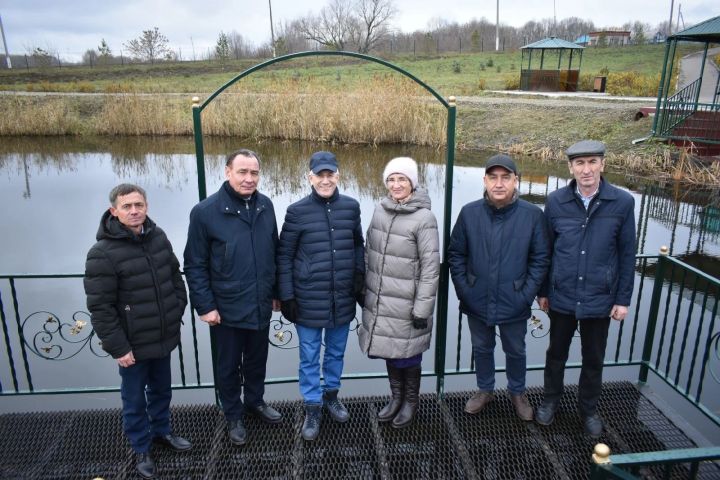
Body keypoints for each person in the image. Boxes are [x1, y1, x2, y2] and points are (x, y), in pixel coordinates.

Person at [84, 184, 191, 479]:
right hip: (132, 343)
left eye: (139, 205)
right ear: (114, 211)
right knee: (134, 399)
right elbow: (100, 307)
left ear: (146, 207)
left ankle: (162, 432)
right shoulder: (102, 253)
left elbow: (174, 275)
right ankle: (141, 447)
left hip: (162, 334)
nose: (134, 211)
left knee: (161, 391)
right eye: (127, 206)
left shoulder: (157, 237)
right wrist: (118, 347)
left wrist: (176, 307)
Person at [535, 140, 635, 438]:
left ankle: (588, 409)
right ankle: (550, 401)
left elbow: (627, 254)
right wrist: (543, 292)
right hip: (562, 294)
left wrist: (623, 299)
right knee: (556, 354)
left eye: (592, 162)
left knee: (593, 358)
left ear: (602, 164)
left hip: (600, 298)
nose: (587, 169)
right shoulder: (555, 202)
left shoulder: (622, 202)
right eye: (580, 163)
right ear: (571, 167)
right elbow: (545, 250)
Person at [183, 149, 282, 447]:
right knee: (227, 365)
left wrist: (276, 292)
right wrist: (206, 305)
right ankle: (233, 415)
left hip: (260, 301)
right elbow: (194, 263)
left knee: (257, 360)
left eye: (254, 173)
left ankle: (255, 401)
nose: (249, 179)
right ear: (227, 172)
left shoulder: (265, 205)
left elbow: (273, 251)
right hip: (225, 307)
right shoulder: (205, 211)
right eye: (242, 172)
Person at [448, 154, 550, 421]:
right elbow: (456, 255)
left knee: (515, 349)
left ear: (516, 181)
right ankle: (485, 389)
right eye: (493, 177)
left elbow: (540, 259)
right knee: (481, 348)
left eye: (506, 177)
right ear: (484, 180)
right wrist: (465, 290)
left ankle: (517, 392)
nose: (499, 183)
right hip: (477, 298)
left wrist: (525, 294)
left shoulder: (532, 215)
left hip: (514, 299)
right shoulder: (469, 213)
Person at [277, 151, 365, 441]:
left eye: (330, 174)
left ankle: (331, 396)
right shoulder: (296, 211)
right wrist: (286, 295)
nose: (325, 180)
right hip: (307, 299)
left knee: (337, 352)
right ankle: (312, 406)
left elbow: (357, 246)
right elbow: (285, 256)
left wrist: (358, 277)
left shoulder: (351, 207)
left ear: (338, 176)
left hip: (341, 297)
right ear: (310, 177)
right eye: (320, 175)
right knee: (309, 356)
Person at [358, 157, 440, 429]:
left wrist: (422, 310)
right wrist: (365, 291)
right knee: (391, 352)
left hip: (408, 305)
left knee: (409, 356)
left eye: (402, 179)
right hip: (382, 302)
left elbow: (430, 268)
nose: (396, 185)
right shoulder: (380, 211)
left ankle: (410, 402)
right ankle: (396, 398)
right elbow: (370, 252)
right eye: (391, 180)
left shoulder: (424, 218)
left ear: (412, 183)